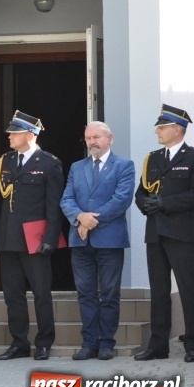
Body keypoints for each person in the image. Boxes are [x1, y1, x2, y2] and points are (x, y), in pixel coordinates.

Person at [0, 110, 63, 361]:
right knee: (13, 294)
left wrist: (51, 238)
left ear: (30, 134)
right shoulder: (6, 161)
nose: (9, 136)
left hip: (36, 238)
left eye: (15, 132)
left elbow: (54, 205)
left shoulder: (49, 163)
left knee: (41, 293)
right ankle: (19, 342)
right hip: (9, 237)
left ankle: (44, 342)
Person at [60, 121, 134, 361]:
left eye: (96, 137)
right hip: (80, 241)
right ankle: (89, 342)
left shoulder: (124, 165)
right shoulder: (76, 167)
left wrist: (91, 221)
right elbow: (66, 199)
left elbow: (121, 200)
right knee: (86, 293)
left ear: (109, 138)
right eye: (88, 138)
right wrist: (79, 217)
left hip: (109, 240)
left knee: (110, 293)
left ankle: (106, 343)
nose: (91, 142)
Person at [134, 104, 194, 363]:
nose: (157, 131)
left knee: (189, 290)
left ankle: (192, 345)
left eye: (162, 127)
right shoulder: (153, 158)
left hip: (182, 234)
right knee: (158, 292)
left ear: (177, 129)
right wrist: (145, 204)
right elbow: (142, 191)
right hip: (156, 232)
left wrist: (165, 204)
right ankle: (158, 345)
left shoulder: (192, 158)